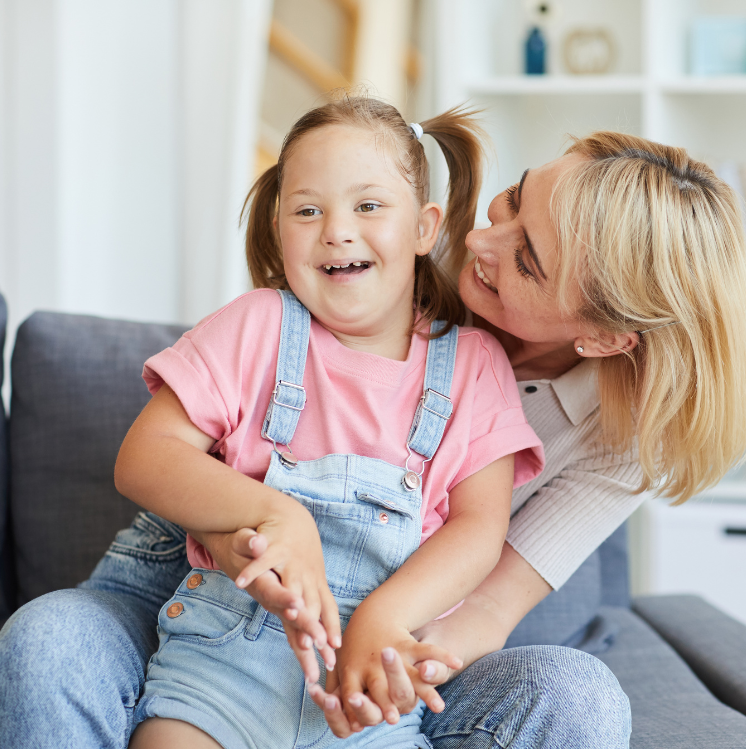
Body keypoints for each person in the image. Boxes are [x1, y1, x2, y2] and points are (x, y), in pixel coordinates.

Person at [0, 125, 746, 747]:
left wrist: (381, 655)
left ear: (605, 338)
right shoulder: (359, 267)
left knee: (580, 698)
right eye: (509, 201)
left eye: (527, 258)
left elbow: (483, 592)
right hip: (208, 575)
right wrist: (255, 524)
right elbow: (176, 446)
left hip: (398, 616)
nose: (479, 243)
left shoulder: (579, 421)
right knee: (48, 638)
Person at [113, 95, 545, 748]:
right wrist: (280, 515)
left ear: (425, 229)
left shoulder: (473, 365)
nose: (336, 230)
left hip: (368, 685)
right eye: (307, 210)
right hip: (220, 666)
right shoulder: (255, 324)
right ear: (279, 227)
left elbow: (479, 526)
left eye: (367, 205)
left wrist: (384, 615)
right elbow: (146, 456)